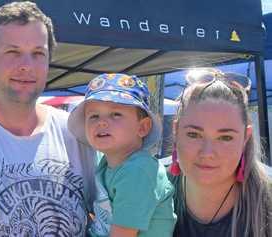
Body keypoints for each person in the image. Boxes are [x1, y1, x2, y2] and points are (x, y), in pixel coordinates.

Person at [0, 2, 95, 237]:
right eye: (13, 52)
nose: (26, 66)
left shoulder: (78, 133)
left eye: (38, 54)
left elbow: (106, 215)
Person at [68, 73, 176, 237]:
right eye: (94, 116)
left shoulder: (138, 171)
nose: (101, 122)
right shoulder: (106, 164)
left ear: (143, 128)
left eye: (116, 114)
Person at [168, 68, 272, 237]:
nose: (207, 152)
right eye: (194, 134)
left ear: (246, 137)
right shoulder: (149, 186)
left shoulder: (267, 199)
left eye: (225, 137)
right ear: (176, 131)